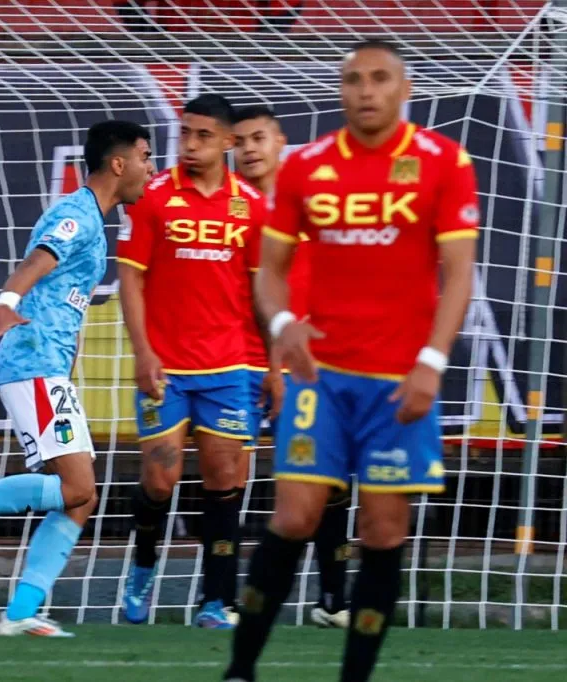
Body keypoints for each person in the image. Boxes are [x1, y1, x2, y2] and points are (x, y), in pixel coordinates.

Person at [224, 39, 478, 682]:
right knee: (294, 517)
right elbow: (271, 271)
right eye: (355, 79)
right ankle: (240, 669)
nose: (366, 90)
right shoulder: (307, 167)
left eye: (380, 78)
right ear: (340, 90)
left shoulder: (443, 162)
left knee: (383, 533)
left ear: (405, 89)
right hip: (322, 378)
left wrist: (431, 361)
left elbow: (459, 273)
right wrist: (282, 325)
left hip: (398, 382)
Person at [0, 120, 154, 638]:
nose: (150, 168)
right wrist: (5, 301)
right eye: (145, 156)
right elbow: (37, 262)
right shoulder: (76, 214)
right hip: (32, 361)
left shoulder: (94, 219)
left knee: (81, 498)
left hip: (48, 367)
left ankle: (22, 610)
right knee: (78, 488)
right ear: (118, 163)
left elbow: (65, 296)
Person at [117, 94, 272, 629]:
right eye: (185, 133)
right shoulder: (154, 197)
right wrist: (143, 352)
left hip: (230, 367)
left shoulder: (252, 206)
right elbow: (130, 279)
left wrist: (274, 364)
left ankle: (216, 600)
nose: (190, 144)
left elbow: (263, 294)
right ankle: (142, 566)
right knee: (160, 480)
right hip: (166, 367)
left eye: (203, 135)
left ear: (228, 142)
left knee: (224, 479)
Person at [233, 105, 351, 629]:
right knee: (228, 482)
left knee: (323, 480)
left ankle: (333, 600)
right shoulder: (230, 208)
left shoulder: (313, 204)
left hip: (308, 364)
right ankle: (221, 600)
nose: (249, 149)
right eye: (240, 141)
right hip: (239, 363)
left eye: (258, 138)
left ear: (281, 141)